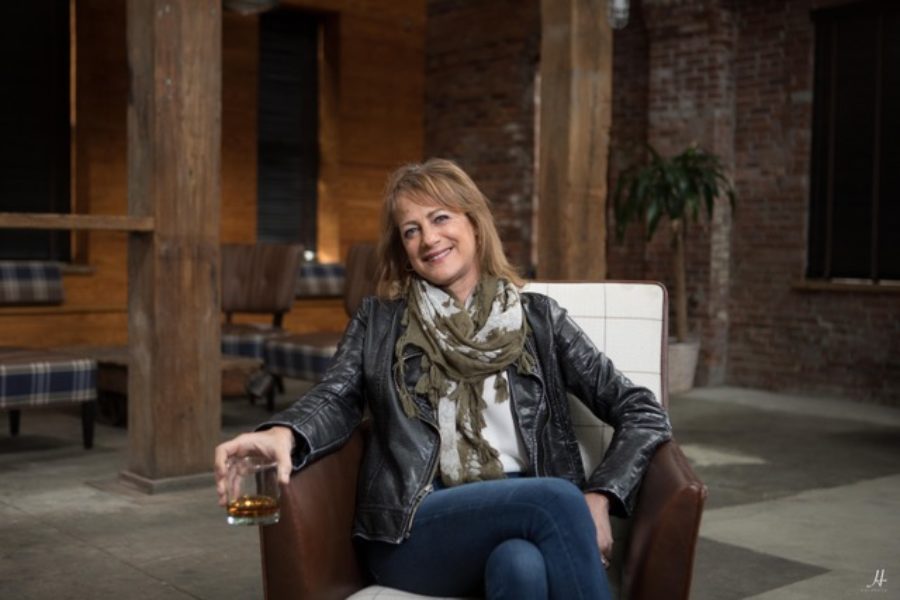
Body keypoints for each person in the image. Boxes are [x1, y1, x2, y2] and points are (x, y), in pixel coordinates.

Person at [214, 158, 672, 600]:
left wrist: (601, 493)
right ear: (404, 250)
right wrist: (283, 432)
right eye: (411, 230)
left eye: (440, 218)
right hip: (415, 524)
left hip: (522, 514)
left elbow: (641, 409)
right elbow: (335, 397)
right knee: (557, 499)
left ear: (474, 223)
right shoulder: (380, 322)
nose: (428, 238)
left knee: (521, 566)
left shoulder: (540, 321)